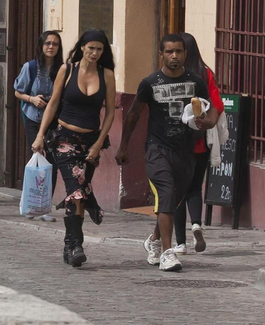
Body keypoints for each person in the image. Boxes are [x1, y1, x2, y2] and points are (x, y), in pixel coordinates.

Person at [116, 34, 217, 272]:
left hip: (186, 151)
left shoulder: (196, 81)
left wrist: (208, 123)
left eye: (179, 52)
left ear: (185, 54)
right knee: (167, 192)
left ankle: (154, 240)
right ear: (161, 54)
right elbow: (132, 115)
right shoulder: (150, 83)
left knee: (173, 199)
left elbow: (212, 110)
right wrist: (123, 146)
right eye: (169, 52)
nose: (174, 56)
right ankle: (168, 253)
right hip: (157, 149)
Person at [33, 30, 119, 268]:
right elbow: (53, 104)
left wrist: (99, 143)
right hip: (64, 139)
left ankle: (70, 245)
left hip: (90, 142)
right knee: (76, 189)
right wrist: (40, 135)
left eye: (99, 49)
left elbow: (111, 112)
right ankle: (75, 245)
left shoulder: (107, 75)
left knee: (80, 191)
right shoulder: (66, 70)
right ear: (82, 47)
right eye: (90, 48)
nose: (94, 53)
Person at [174, 33, 224, 252]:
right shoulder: (205, 73)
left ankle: (180, 244)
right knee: (195, 187)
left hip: (177, 141)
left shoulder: (174, 75)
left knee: (176, 191)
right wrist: (207, 121)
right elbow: (218, 104)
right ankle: (195, 225)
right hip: (201, 142)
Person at [12, 30, 64, 221]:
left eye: (55, 44)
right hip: (33, 118)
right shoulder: (31, 67)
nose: (51, 47)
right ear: (41, 46)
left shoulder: (62, 69)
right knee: (37, 157)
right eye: (48, 43)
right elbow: (18, 91)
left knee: (53, 162)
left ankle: (45, 207)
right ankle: (31, 202)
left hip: (54, 120)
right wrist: (32, 99)